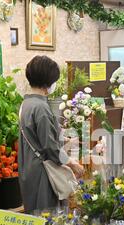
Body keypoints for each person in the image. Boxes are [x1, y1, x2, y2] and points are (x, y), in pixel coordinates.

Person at [18, 55, 84, 213]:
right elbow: (50, 147)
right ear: (49, 82)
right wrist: (72, 164)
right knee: (49, 221)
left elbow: (35, 136)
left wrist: (62, 138)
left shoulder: (26, 104)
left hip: (28, 169)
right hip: (44, 174)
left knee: (33, 217)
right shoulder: (41, 108)